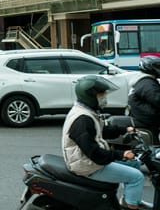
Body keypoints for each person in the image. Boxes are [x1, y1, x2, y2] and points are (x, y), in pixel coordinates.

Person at [62, 75, 149, 210]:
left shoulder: (86, 111)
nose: (104, 97)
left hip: (90, 160)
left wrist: (125, 129)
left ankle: (129, 200)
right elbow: (94, 153)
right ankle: (132, 206)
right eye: (101, 94)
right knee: (136, 177)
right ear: (90, 95)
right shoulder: (82, 119)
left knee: (134, 163)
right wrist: (122, 154)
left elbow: (102, 130)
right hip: (87, 166)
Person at [128, 55, 160, 144]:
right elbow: (157, 99)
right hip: (147, 120)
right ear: (150, 68)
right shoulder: (148, 84)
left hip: (143, 117)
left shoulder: (143, 81)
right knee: (155, 149)